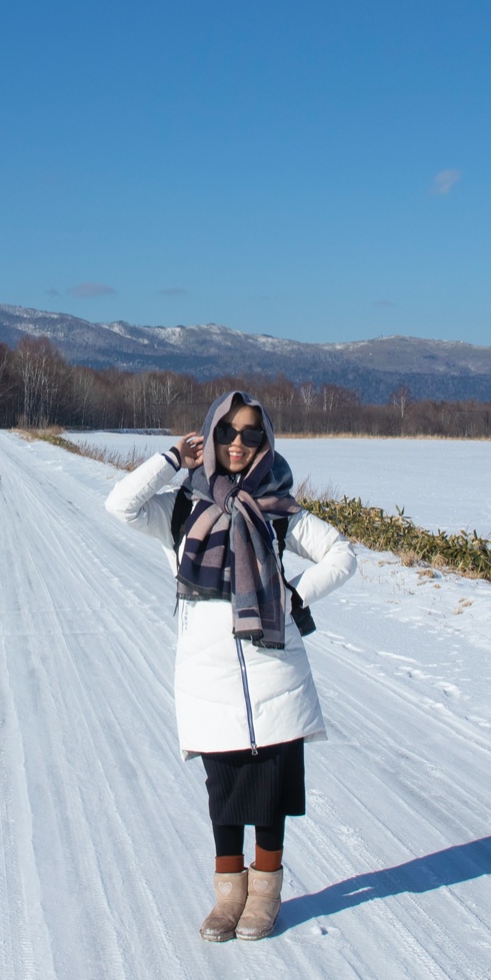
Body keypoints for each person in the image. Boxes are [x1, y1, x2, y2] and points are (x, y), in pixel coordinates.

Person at [105, 390, 356, 941]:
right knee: (224, 789)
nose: (238, 443)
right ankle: (228, 896)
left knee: (271, 792)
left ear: (265, 442)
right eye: (227, 432)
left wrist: (293, 597)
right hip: (208, 673)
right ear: (210, 436)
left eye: (250, 434)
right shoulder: (180, 509)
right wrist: (171, 459)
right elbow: (119, 505)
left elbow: (342, 554)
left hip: (274, 667)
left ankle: (265, 893)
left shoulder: (279, 509)